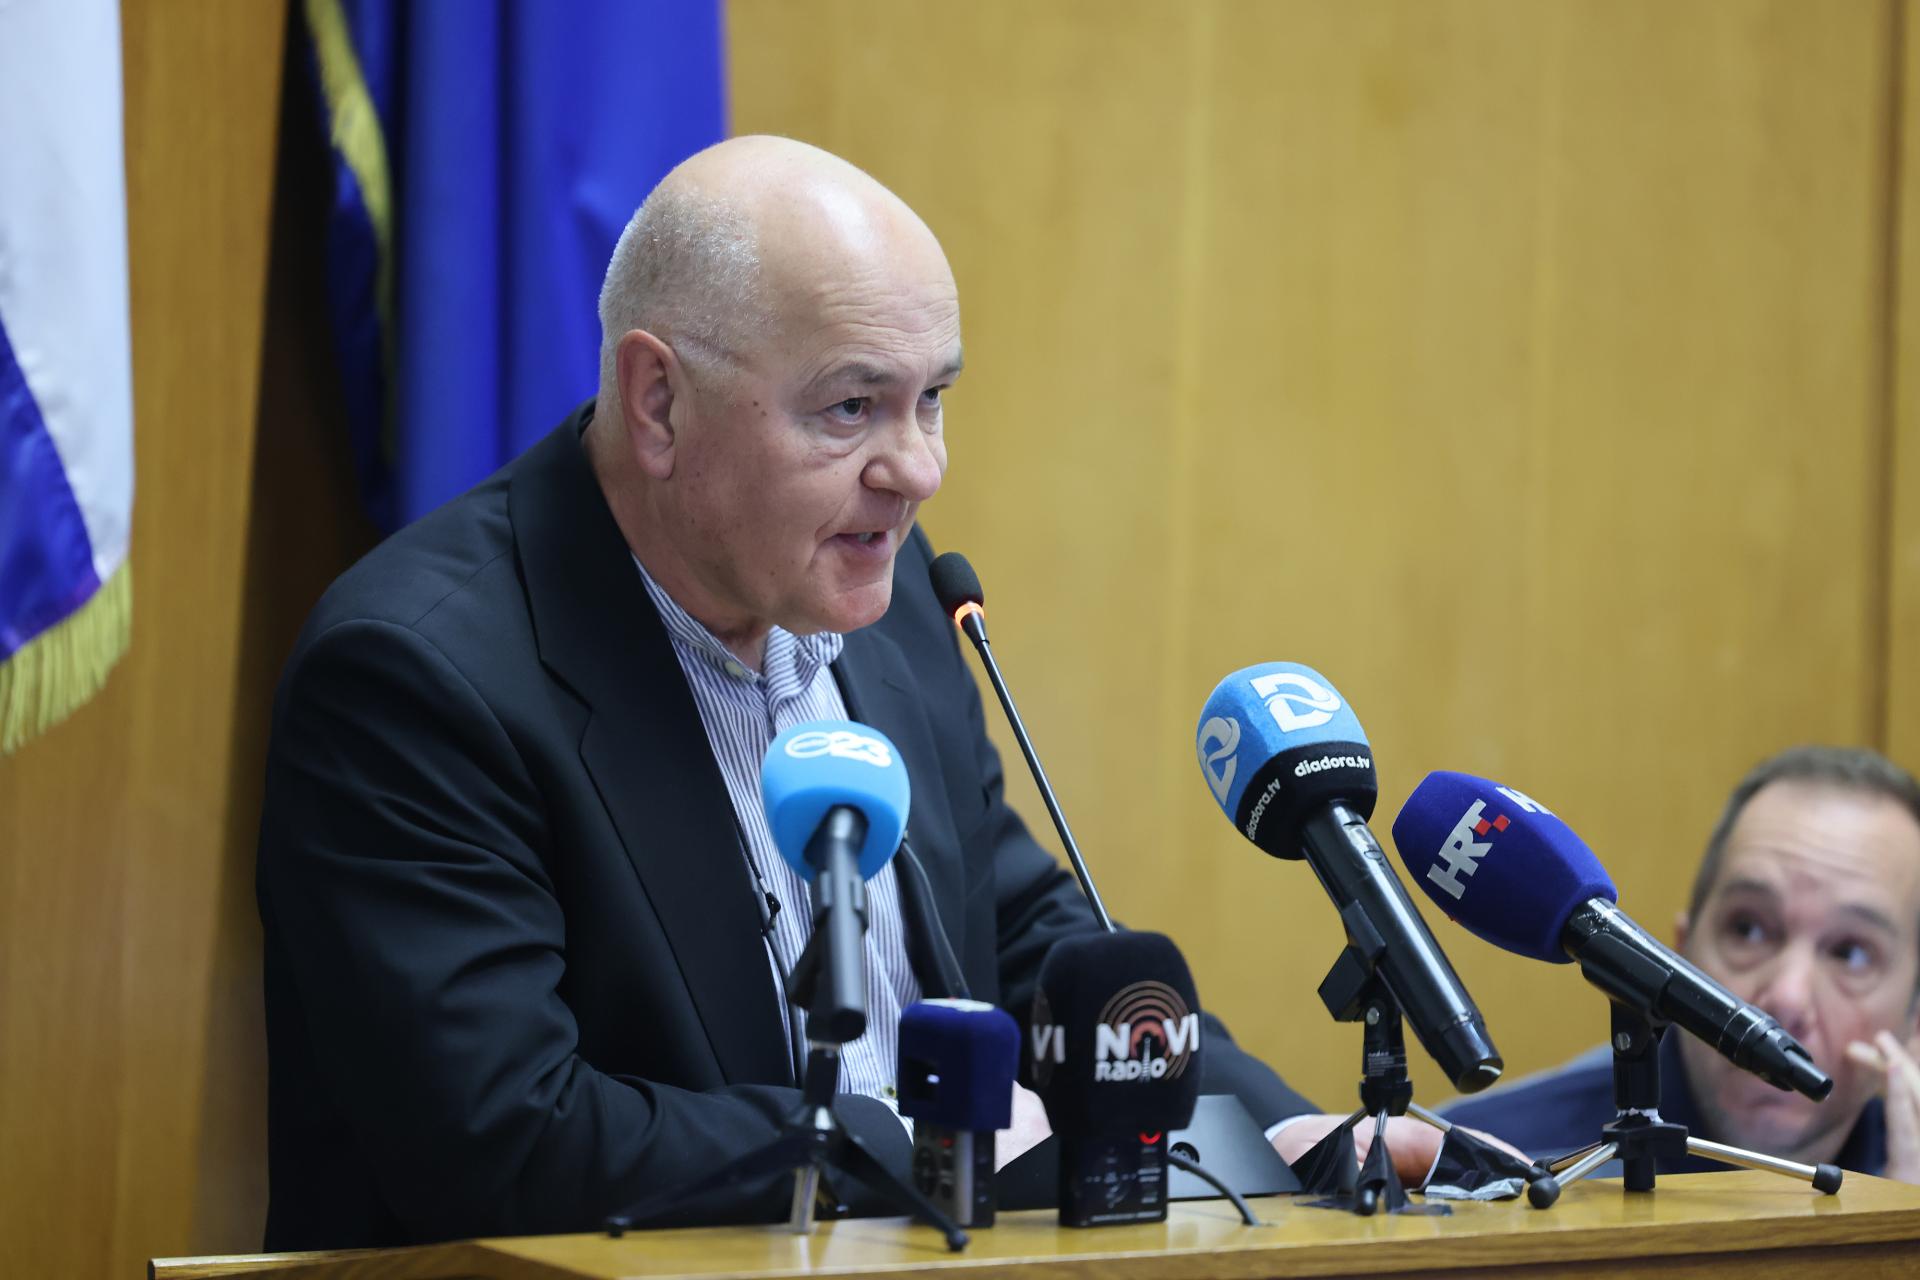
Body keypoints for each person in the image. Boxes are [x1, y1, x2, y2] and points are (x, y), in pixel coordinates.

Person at [259, 135, 1469, 1251]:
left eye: (931, 398)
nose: (920, 469)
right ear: (658, 401)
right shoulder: (422, 679)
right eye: (852, 406)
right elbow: (506, 1140)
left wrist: (1262, 1127)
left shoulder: (884, 606)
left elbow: (1019, 935)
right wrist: (910, 1147)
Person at [1439, 745, 1920, 1184]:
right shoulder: (1478, 1162)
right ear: (1683, 950)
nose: (1787, 997)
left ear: (1914, 1016)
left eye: (1850, 953)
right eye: (1748, 928)